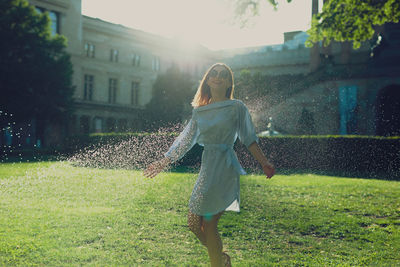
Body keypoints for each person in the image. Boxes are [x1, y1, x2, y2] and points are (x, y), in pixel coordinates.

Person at [144, 63, 275, 267]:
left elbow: (249, 138)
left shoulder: (237, 107)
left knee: (210, 223)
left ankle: (217, 263)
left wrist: (264, 162)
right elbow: (185, 140)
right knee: (194, 224)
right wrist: (163, 162)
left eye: (223, 74)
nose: (218, 76)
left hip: (225, 166)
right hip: (208, 167)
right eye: (213, 73)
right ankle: (221, 258)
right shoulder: (200, 111)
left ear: (229, 82)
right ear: (207, 79)